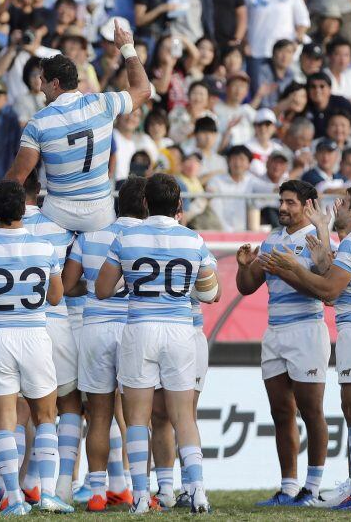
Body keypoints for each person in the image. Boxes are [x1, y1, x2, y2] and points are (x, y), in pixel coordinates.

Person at [95, 173, 218, 513]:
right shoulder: (193, 239)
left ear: (145, 202)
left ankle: (140, 497)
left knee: (137, 419)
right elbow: (211, 293)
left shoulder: (126, 239)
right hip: (180, 331)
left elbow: (102, 290)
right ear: (179, 205)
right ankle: (197, 490)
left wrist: (133, 284)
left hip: (140, 329)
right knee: (184, 417)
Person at [266, 185, 351, 510]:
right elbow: (334, 276)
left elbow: (329, 291)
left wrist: (293, 268)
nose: (337, 206)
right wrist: (322, 244)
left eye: (344, 203)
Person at [0, 180, 73, 515]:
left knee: (5, 419)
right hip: (35, 335)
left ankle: (14, 499)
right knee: (46, 415)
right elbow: (55, 296)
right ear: (23, 209)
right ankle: (48, 494)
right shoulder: (44, 248)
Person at [4, 19, 151, 232]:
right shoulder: (103, 103)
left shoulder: (38, 122)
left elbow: (17, 178)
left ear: (55, 84)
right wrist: (127, 47)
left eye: (42, 80)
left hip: (57, 219)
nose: (40, 87)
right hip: (100, 217)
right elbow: (143, 90)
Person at [236, 180, 331, 507]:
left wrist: (290, 271)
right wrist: (243, 267)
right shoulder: (273, 238)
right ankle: (288, 486)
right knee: (281, 412)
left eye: (290, 202)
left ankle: (313, 488)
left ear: (307, 206)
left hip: (307, 330)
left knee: (312, 411)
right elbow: (248, 288)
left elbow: (325, 290)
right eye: (282, 201)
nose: (283, 208)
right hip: (275, 331)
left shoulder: (317, 239)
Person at [61, 176, 148, 511]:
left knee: (98, 416)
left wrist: (95, 286)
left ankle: (97, 492)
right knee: (136, 416)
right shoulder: (146, 235)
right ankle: (135, 490)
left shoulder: (91, 236)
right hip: (133, 328)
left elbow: (69, 286)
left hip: (95, 327)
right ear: (146, 205)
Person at [244, 0, 310, 87]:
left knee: (286, 91)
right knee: (259, 91)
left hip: (284, 54)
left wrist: (295, 43)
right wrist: (245, 43)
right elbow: (243, 19)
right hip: (257, 51)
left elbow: (303, 21)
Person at [206, 145, 262, 232]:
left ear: (249, 163)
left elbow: (268, 188)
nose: (237, 163)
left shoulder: (251, 180)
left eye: (242, 159)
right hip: (218, 232)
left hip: (243, 234)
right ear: (228, 161)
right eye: (234, 159)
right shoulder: (216, 181)